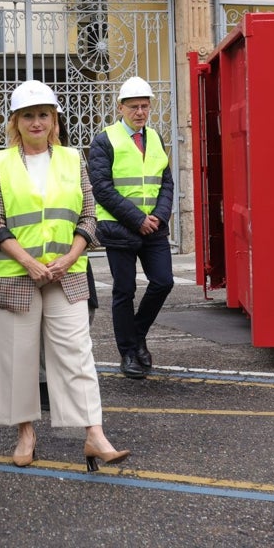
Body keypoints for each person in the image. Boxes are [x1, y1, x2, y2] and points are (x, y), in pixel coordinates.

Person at [0, 80, 129, 472]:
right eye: (28, 115)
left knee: (76, 355)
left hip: (67, 274)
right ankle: (26, 433)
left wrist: (70, 256)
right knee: (18, 357)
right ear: (15, 121)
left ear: (54, 119)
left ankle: (94, 435)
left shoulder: (72, 159)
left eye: (43, 114)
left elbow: (89, 217)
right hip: (16, 275)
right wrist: (29, 262)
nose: (36, 121)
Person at [89, 76, 175, 380]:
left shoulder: (155, 138)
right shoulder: (105, 140)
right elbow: (102, 188)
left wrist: (160, 216)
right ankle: (128, 353)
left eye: (144, 106)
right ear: (121, 107)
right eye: (134, 107)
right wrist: (137, 219)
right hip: (120, 228)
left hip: (154, 229)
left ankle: (137, 335)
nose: (140, 112)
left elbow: (166, 182)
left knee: (163, 281)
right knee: (124, 291)